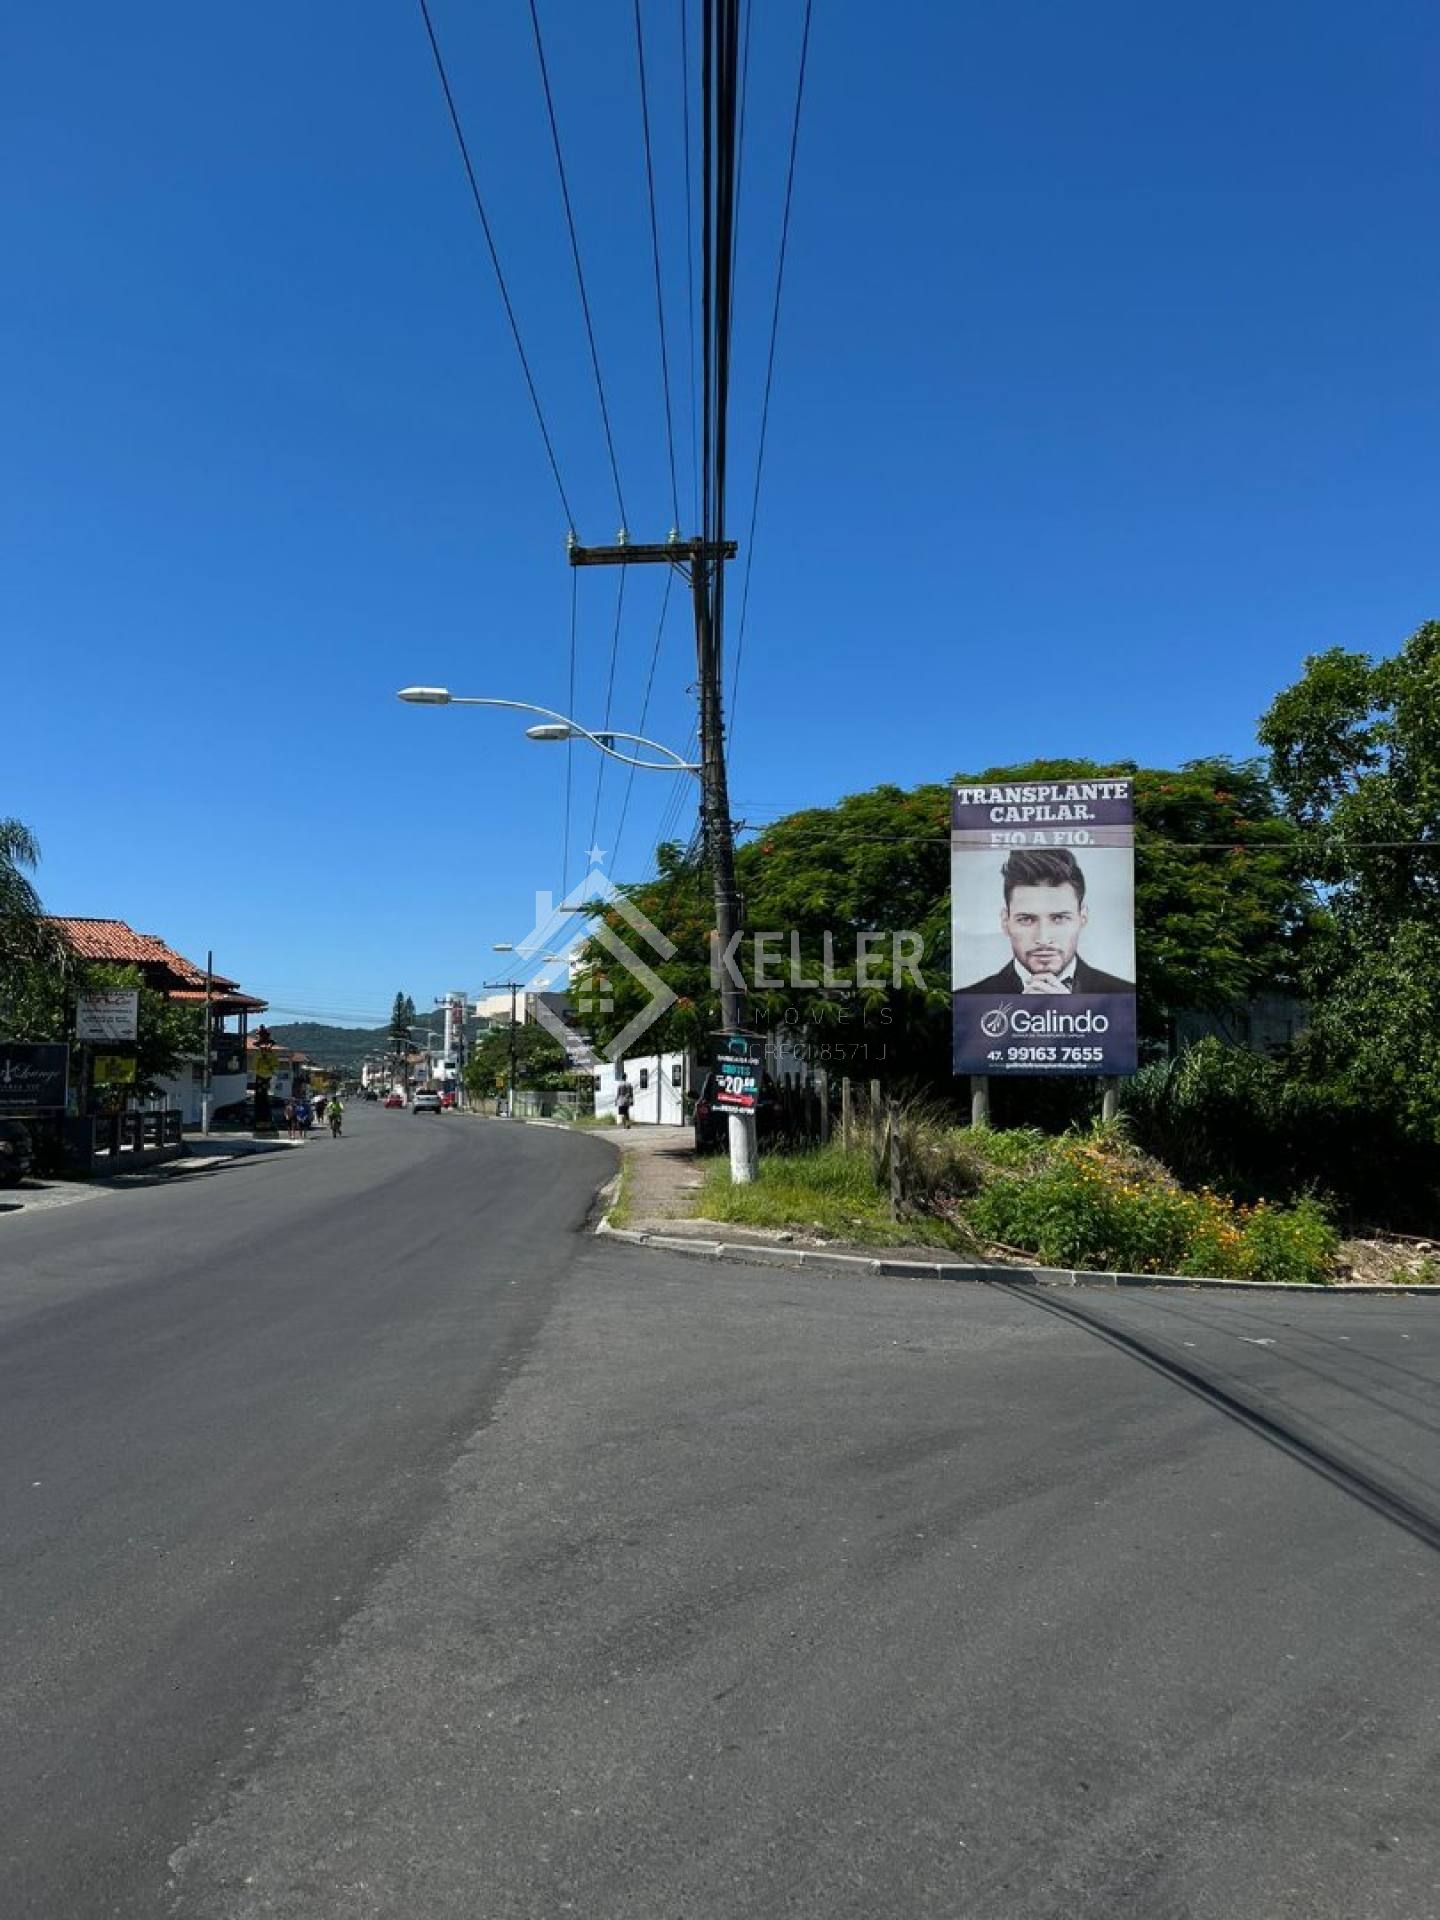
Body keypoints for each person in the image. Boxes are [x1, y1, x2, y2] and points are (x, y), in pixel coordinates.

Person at [959, 846, 1133, 995]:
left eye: (1059, 918)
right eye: (1026, 919)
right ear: (1006, 922)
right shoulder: (968, 998)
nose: (1043, 938)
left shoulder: (1122, 993)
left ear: (1083, 918)